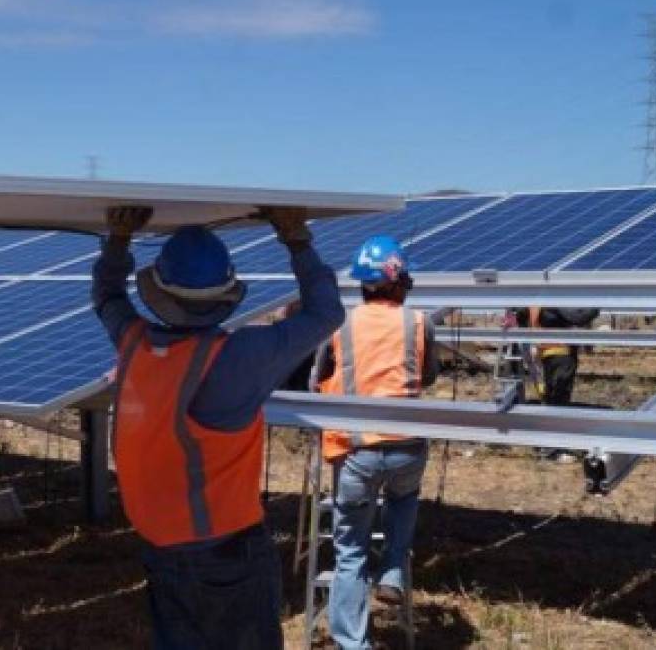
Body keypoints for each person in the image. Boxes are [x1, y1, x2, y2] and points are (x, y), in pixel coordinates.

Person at [93, 205, 344, 650]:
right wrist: (296, 239)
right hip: (225, 554)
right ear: (226, 293)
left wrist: (118, 240)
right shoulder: (237, 358)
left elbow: (108, 297)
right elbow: (325, 313)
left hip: (159, 545)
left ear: (161, 293)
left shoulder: (133, 342)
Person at [312, 235, 438, 650]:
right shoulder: (419, 322)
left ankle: (353, 643)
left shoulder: (338, 324)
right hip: (406, 447)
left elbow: (316, 380)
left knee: (350, 551)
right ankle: (393, 573)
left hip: (356, 451)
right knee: (403, 500)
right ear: (397, 279)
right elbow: (431, 375)